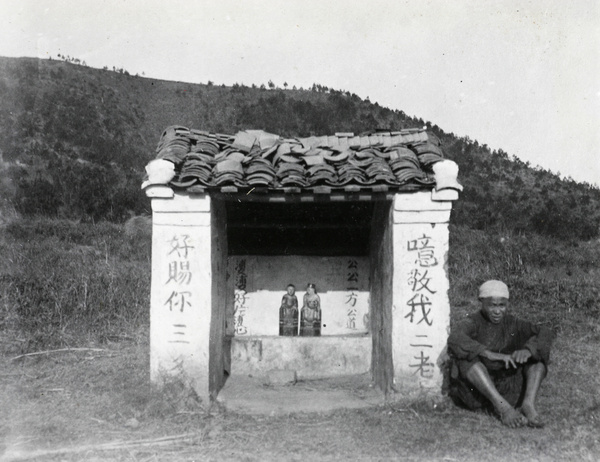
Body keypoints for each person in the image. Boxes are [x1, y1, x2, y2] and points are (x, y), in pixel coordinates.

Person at [447, 280, 554, 428]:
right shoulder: (472, 322)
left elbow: (545, 332)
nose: (497, 311)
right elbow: (455, 338)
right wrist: (488, 354)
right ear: (482, 302)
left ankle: (528, 405)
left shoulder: (513, 323)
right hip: (480, 393)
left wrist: (529, 350)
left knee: (537, 359)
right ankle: (504, 409)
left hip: (509, 388)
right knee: (466, 361)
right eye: (492, 305)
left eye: (502, 305)